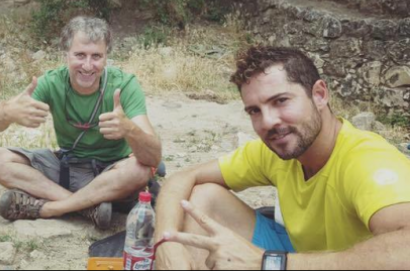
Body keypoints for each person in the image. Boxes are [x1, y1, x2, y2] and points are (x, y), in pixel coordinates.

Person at [155, 46, 410, 270]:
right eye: (255, 110)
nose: (268, 122)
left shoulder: (366, 161)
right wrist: (166, 244)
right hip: (296, 253)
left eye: (281, 101)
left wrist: (270, 262)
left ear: (319, 95)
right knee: (204, 196)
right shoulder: (276, 150)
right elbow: (182, 178)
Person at [0, 16, 162, 229]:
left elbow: (154, 157)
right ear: (65, 55)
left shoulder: (125, 85)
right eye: (79, 55)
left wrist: (129, 129)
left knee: (140, 170)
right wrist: (7, 112)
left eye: (96, 56)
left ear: (106, 58)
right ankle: (87, 207)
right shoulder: (51, 82)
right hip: (69, 167)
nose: (87, 66)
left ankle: (51, 208)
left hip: (111, 173)